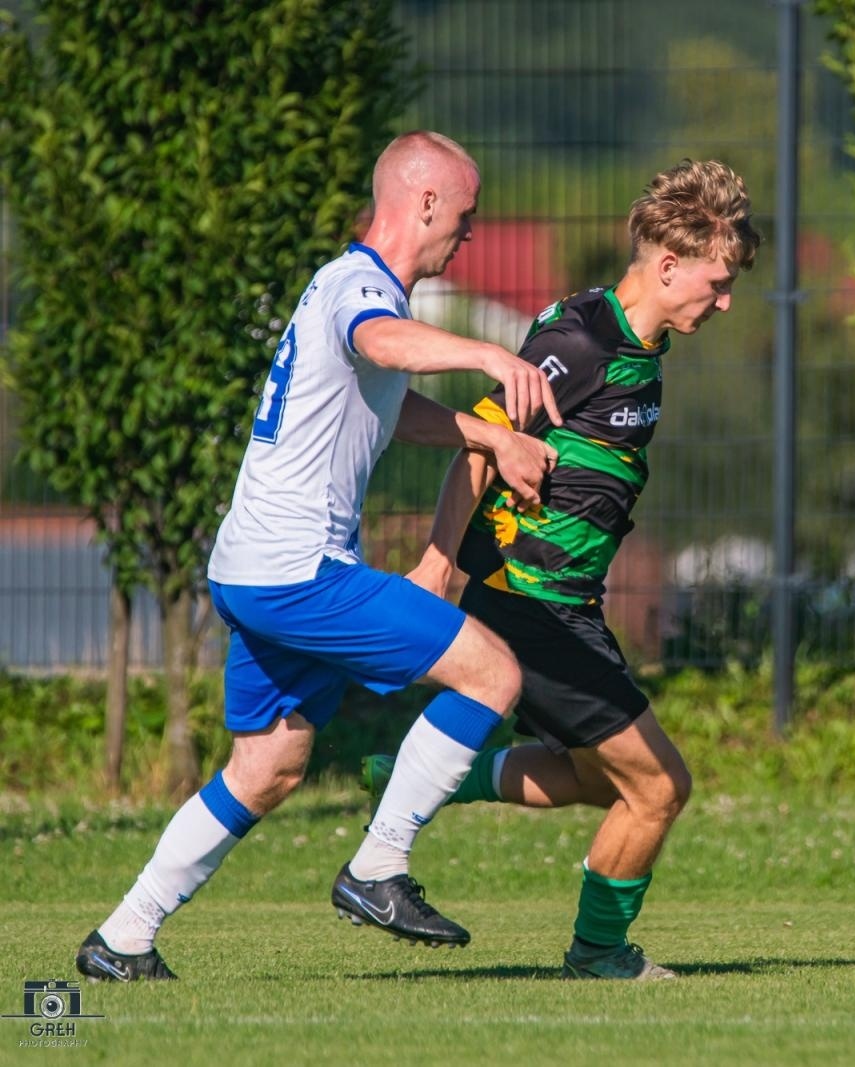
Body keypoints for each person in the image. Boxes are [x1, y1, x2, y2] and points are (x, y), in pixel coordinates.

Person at [75, 131, 564, 982]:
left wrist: (484, 432)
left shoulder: (348, 285)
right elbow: (380, 345)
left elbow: (385, 397)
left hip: (252, 569)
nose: (470, 234)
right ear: (422, 205)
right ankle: (378, 866)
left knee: (268, 765)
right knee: (493, 675)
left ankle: (123, 934)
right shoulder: (362, 289)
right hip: (300, 572)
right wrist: (488, 354)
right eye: (466, 214)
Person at [365, 158, 761, 981]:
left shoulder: (643, 344)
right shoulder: (581, 340)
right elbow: (479, 443)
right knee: (657, 789)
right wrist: (439, 563)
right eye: (717, 283)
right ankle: (600, 952)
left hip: (567, 605)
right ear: (668, 266)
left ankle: (436, 771)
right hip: (528, 602)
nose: (724, 302)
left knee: (590, 777)